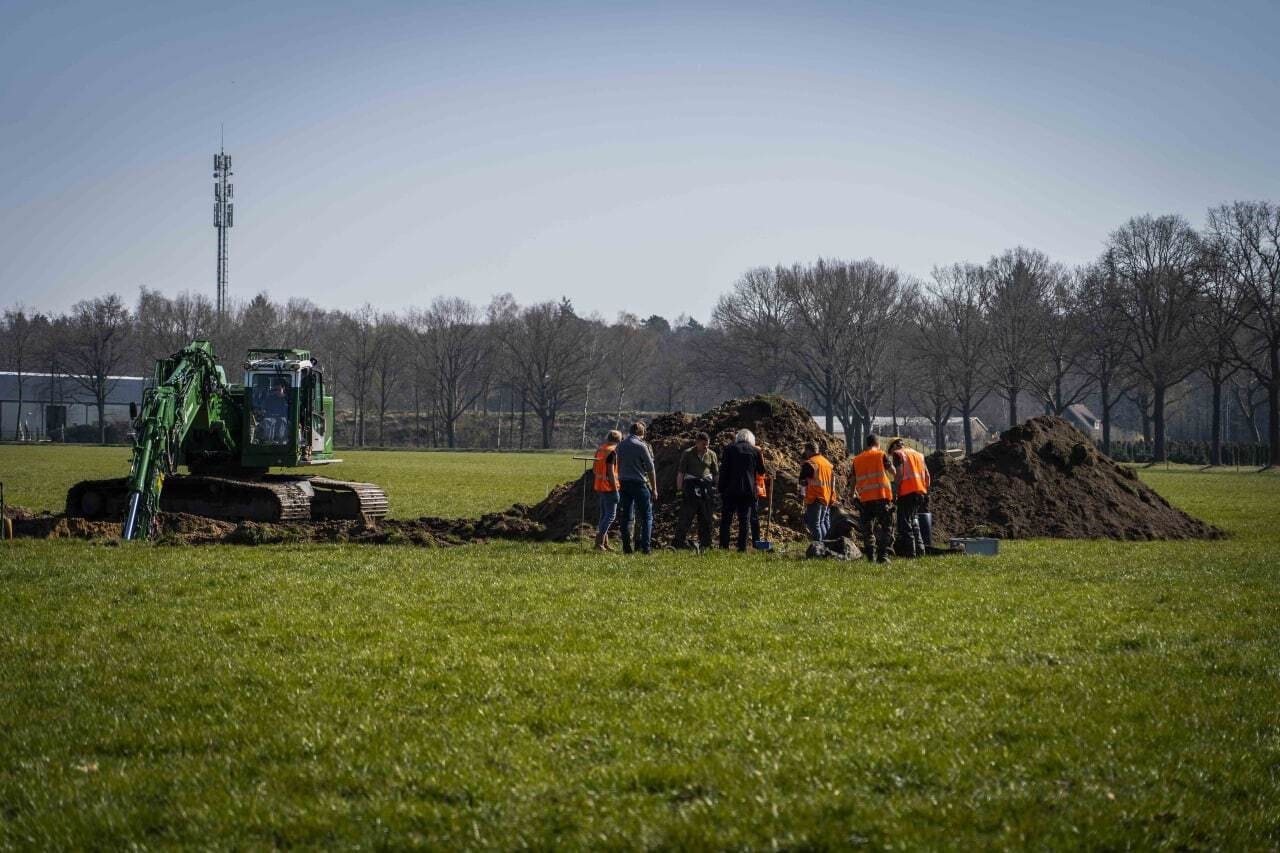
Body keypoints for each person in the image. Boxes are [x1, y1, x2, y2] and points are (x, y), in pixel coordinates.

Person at [852, 433, 896, 563]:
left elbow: (853, 479)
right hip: (881, 497)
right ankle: (883, 555)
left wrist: (852, 494)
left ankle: (871, 556)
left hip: (865, 499)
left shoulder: (857, 459)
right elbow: (893, 471)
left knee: (868, 529)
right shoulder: (881, 455)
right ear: (878, 443)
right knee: (887, 526)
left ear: (867, 444)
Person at [616, 421, 658, 555]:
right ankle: (646, 548)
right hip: (638, 483)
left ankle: (626, 548)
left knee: (626, 517)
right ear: (641, 433)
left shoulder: (620, 445)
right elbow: (650, 469)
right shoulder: (641, 446)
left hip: (623, 483)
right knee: (647, 516)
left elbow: (617, 464)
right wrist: (654, 488)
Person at [718, 428, 764, 552]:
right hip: (748, 491)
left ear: (738, 438)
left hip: (730, 489)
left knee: (726, 520)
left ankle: (723, 546)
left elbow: (724, 470)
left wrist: (721, 488)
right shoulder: (755, 451)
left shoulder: (729, 449)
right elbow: (761, 471)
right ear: (751, 439)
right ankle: (742, 547)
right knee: (744, 520)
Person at [673, 431, 718, 551]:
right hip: (691, 488)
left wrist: (717, 488)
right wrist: (679, 490)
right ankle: (679, 542)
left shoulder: (712, 454)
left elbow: (715, 473)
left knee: (706, 517)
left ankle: (706, 543)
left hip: (706, 488)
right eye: (703, 444)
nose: (706, 447)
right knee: (686, 516)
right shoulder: (687, 454)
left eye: (707, 444)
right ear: (697, 443)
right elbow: (681, 473)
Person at [889, 437, 931, 557]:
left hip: (906, 493)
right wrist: (925, 491)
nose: (891, 455)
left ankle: (910, 553)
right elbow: (927, 476)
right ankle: (920, 550)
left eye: (890, 452)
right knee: (914, 521)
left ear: (894, 447)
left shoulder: (898, 454)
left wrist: (894, 491)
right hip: (920, 493)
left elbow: (899, 474)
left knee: (905, 524)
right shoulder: (919, 455)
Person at [798, 440, 835, 548]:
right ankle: (826, 546)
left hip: (815, 497)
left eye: (806, 451)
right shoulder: (826, 463)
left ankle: (818, 548)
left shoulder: (810, 463)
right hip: (826, 497)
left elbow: (802, 480)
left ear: (808, 451)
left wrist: (801, 493)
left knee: (815, 525)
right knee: (821, 523)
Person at [593, 429, 623, 551]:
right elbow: (611, 472)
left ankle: (604, 543)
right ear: (619, 440)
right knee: (610, 515)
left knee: (604, 515)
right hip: (609, 487)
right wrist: (615, 490)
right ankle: (599, 542)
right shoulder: (612, 452)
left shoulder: (600, 450)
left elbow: (594, 468)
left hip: (599, 486)